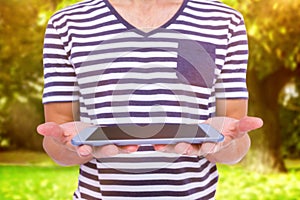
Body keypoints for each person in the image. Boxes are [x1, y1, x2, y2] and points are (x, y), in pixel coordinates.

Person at [37, 0, 263, 199]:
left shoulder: (223, 21)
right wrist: (70, 145)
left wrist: (224, 142)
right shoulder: (67, 23)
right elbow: (56, 139)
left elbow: (236, 141)